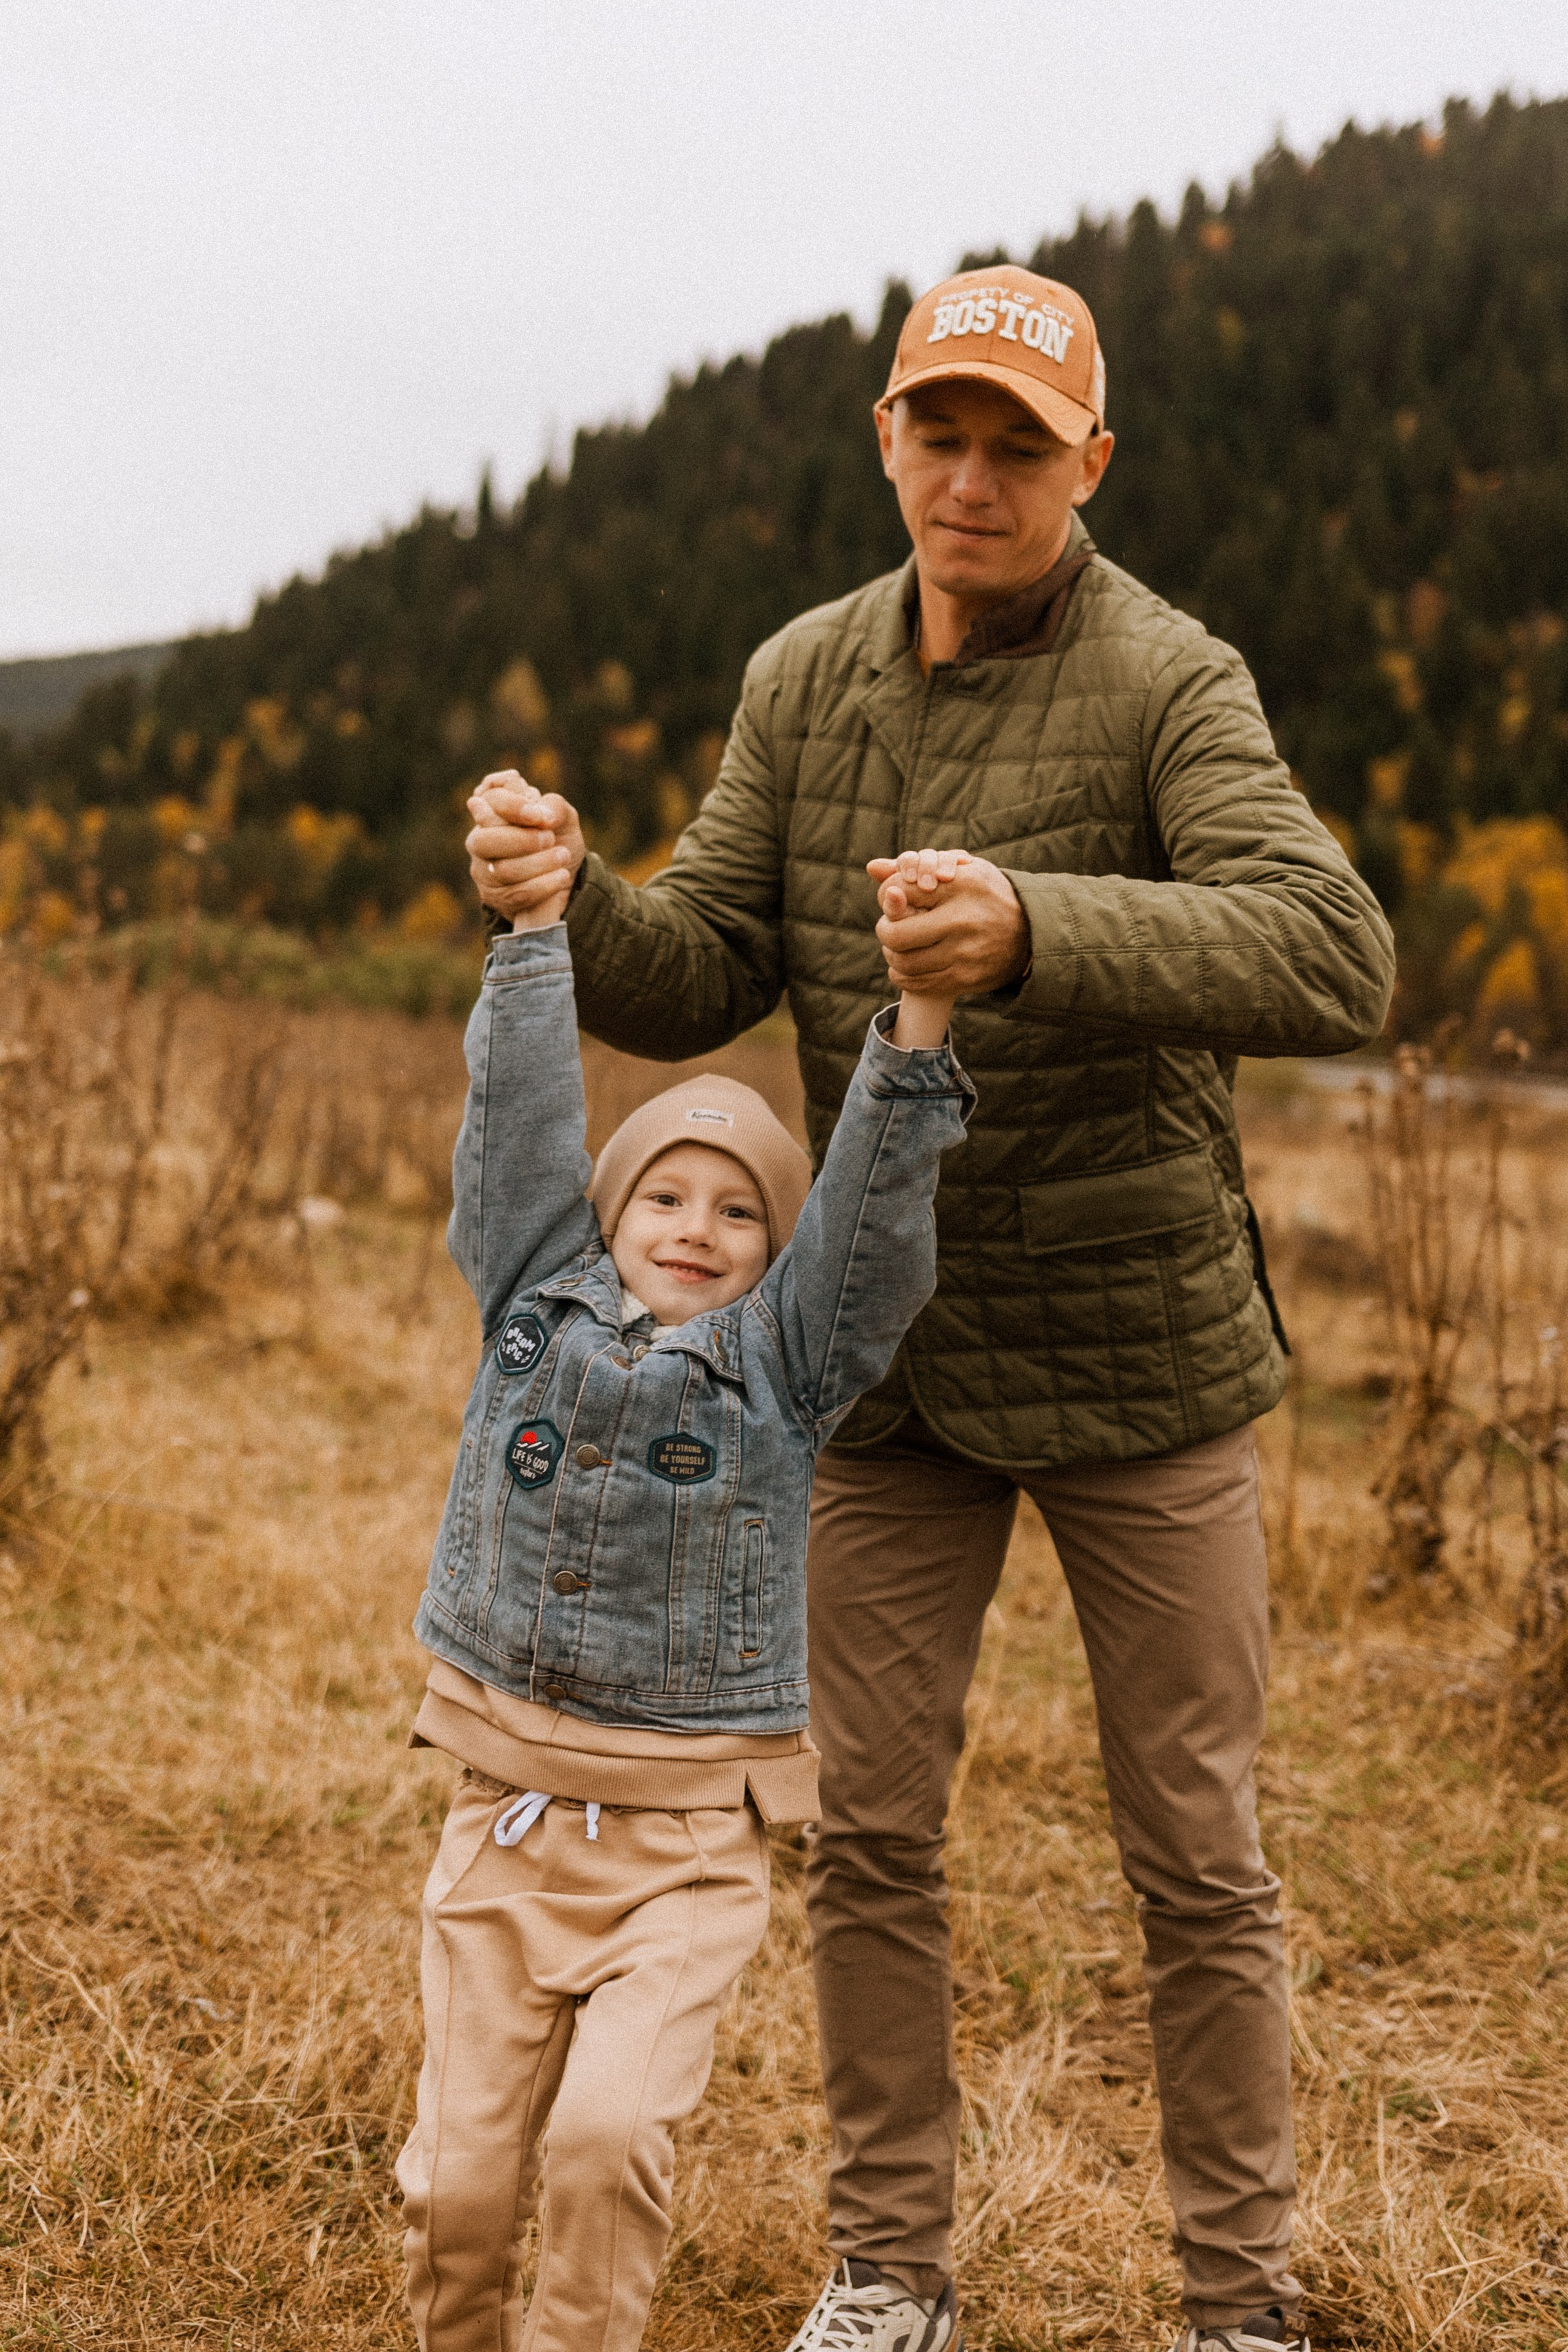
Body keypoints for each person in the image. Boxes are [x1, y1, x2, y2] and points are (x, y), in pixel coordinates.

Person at [465, 264, 1396, 2352]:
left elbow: (1335, 956)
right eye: (940, 434)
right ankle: (891, 2276)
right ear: (887, 439)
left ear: (1092, 462)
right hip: (876, 1367)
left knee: (1198, 1853)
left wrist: (1037, 927)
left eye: (1022, 445)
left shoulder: (1174, 678)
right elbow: (700, 958)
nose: (975, 480)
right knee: (869, 1833)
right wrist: (567, 900)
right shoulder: (805, 679)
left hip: (1143, 1360)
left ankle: (1237, 2305)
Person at [398, 801, 975, 2352]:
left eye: (738, 1213)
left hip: (683, 1851)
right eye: (664, 1195)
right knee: (456, 2187)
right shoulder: (532, 1285)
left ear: (774, 1254)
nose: (696, 1229)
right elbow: (518, 1117)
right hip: (502, 1825)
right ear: (610, 1209)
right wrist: (531, 933)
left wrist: (915, 1016)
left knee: (601, 2149)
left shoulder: (786, 1363)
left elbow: (866, 1219)